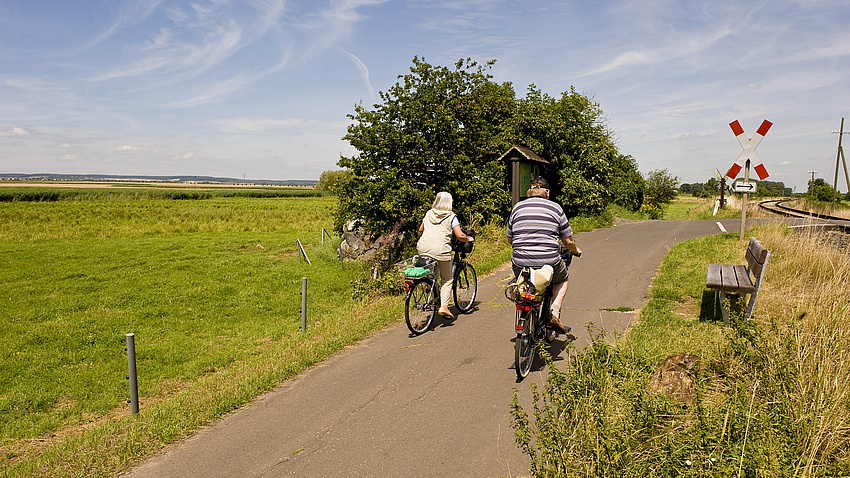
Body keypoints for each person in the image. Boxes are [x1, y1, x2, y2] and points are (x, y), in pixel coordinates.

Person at [506, 177, 581, 335]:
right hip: (548, 260)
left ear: (529, 193)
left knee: (523, 283)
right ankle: (554, 313)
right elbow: (567, 240)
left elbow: (510, 240)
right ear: (547, 194)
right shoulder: (555, 208)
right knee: (562, 279)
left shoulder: (517, 208)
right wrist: (574, 250)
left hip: (520, 261)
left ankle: (524, 318)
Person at [417, 191, 474, 319]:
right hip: (440, 249)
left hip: (423, 247)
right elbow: (459, 235)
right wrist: (468, 239)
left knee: (433, 274)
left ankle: (431, 289)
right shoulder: (451, 216)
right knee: (447, 279)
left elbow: (421, 230)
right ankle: (444, 307)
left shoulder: (429, 213)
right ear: (449, 203)